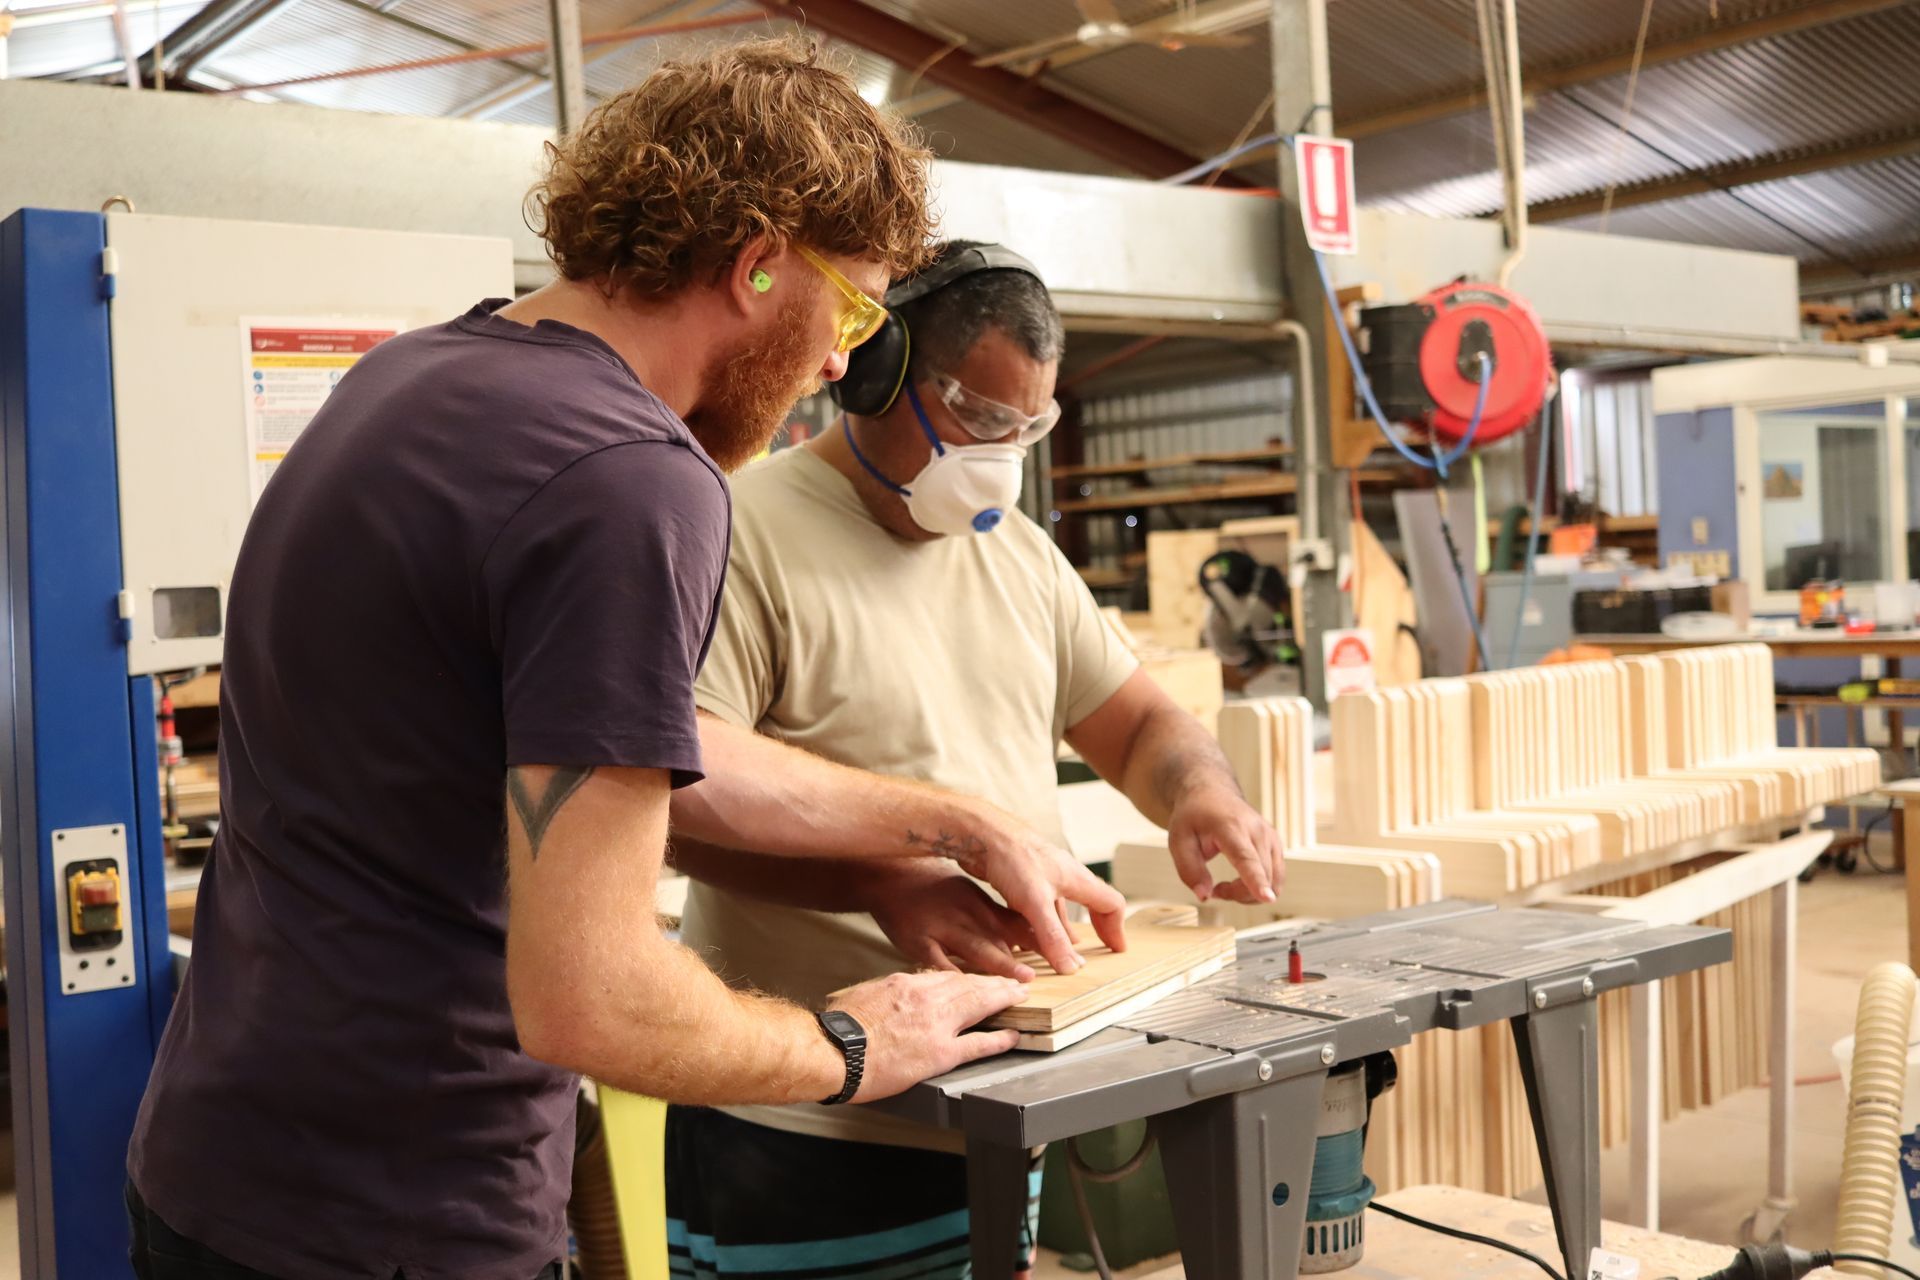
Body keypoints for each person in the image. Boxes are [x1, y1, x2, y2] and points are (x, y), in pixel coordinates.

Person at [126, 44, 1117, 1280]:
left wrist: (928, 833)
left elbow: (590, 738)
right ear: (761, 262)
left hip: (219, 1165)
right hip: (405, 1213)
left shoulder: (413, 375)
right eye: (853, 311)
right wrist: (854, 1041)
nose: (835, 363)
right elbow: (591, 997)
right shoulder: (632, 478)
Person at [664, 240, 1286, 1280]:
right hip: (803, 1111)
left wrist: (1201, 790)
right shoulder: (739, 530)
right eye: (980, 419)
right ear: (879, 372)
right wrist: (884, 882)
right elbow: (682, 805)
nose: (1004, 454)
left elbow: (1136, 725)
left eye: (1027, 427)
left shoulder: (1021, 551)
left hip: (995, 1098)